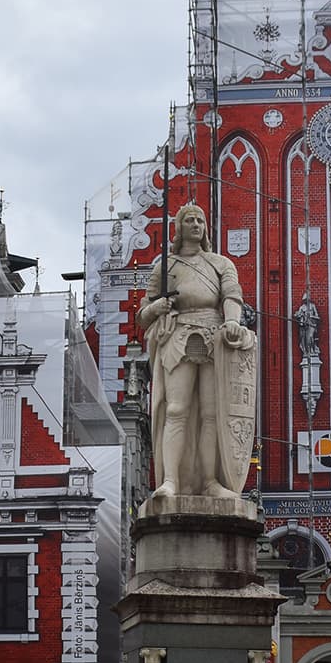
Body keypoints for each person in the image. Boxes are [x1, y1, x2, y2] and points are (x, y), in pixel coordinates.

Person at [136, 202, 257, 500]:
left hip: (215, 337)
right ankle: (170, 481)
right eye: (189, 220)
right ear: (179, 228)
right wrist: (156, 307)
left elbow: (232, 296)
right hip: (179, 336)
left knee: (211, 414)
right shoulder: (166, 266)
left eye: (200, 220)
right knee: (177, 410)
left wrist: (231, 321)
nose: (196, 225)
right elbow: (142, 314)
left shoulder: (220, 263)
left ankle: (209, 481)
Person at [293, 292, 321, 359]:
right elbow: (297, 316)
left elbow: (317, 317)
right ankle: (307, 352)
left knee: (311, 337)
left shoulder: (312, 306)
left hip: (311, 324)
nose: (306, 301)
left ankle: (313, 351)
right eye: (305, 300)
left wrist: (311, 316)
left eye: (307, 299)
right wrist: (298, 315)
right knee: (305, 340)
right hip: (304, 326)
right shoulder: (302, 307)